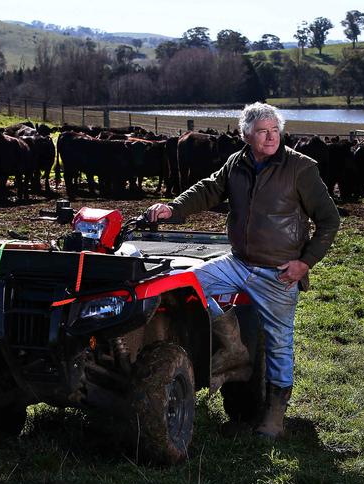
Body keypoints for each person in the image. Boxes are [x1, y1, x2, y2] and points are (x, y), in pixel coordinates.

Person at [146, 102, 340, 439]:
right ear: (246, 135)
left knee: (280, 344)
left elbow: (329, 220)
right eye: (263, 131)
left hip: (278, 271)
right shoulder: (237, 164)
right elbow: (208, 189)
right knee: (185, 283)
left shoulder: (300, 168)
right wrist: (173, 208)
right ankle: (233, 346)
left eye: (275, 130)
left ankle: (274, 419)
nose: (270, 137)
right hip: (238, 263)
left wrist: (304, 263)